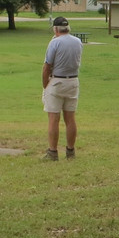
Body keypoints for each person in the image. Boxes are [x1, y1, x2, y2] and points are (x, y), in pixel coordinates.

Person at [41, 15, 83, 160]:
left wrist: (45, 84)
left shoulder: (55, 42)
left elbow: (47, 66)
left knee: (53, 118)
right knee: (70, 118)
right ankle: (70, 151)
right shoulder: (78, 42)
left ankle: (52, 152)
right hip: (73, 81)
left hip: (57, 81)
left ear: (56, 29)